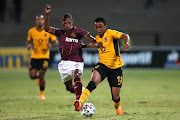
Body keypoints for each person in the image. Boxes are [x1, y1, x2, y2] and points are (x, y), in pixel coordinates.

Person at [74, 17, 130, 115]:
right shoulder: (98, 37)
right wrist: (83, 46)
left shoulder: (111, 33)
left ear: (105, 27)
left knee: (115, 97)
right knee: (93, 82)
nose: (98, 29)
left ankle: (118, 108)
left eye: (100, 27)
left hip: (116, 68)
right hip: (103, 65)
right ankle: (80, 102)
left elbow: (125, 36)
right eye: (96, 27)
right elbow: (94, 44)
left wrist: (126, 43)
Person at [44, 5, 97, 103]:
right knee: (69, 87)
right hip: (64, 63)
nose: (67, 25)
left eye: (69, 23)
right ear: (62, 23)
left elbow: (94, 42)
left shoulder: (78, 31)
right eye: (65, 23)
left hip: (77, 61)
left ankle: (78, 101)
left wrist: (84, 46)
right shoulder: (60, 32)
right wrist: (47, 15)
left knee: (76, 73)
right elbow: (47, 29)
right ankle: (80, 92)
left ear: (72, 22)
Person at [26, 15, 58, 100]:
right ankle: (38, 78)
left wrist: (50, 45)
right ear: (36, 21)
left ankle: (41, 94)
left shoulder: (48, 31)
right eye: (38, 20)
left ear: (44, 21)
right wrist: (28, 46)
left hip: (45, 57)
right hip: (34, 56)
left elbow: (56, 43)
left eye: (41, 20)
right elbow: (28, 42)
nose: (40, 21)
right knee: (32, 76)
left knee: (42, 74)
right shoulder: (31, 31)